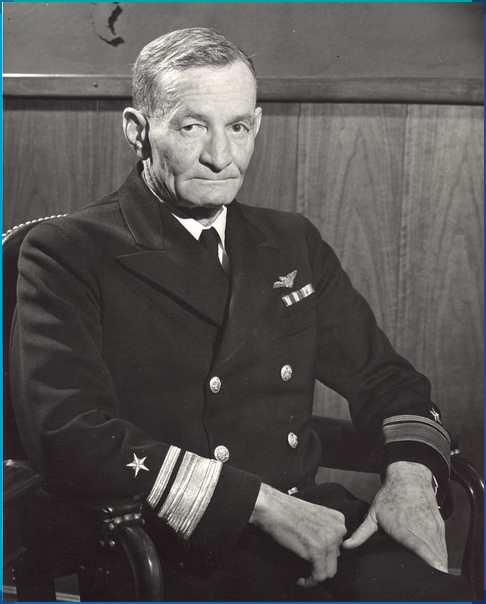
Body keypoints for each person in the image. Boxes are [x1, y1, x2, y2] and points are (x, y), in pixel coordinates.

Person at [10, 27, 472, 601]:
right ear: (138, 130)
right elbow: (68, 434)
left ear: (256, 124)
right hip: (174, 549)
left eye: (238, 127)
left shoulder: (292, 241)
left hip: (317, 524)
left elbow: (386, 380)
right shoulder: (69, 251)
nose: (220, 157)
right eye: (192, 126)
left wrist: (410, 478)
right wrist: (260, 504)